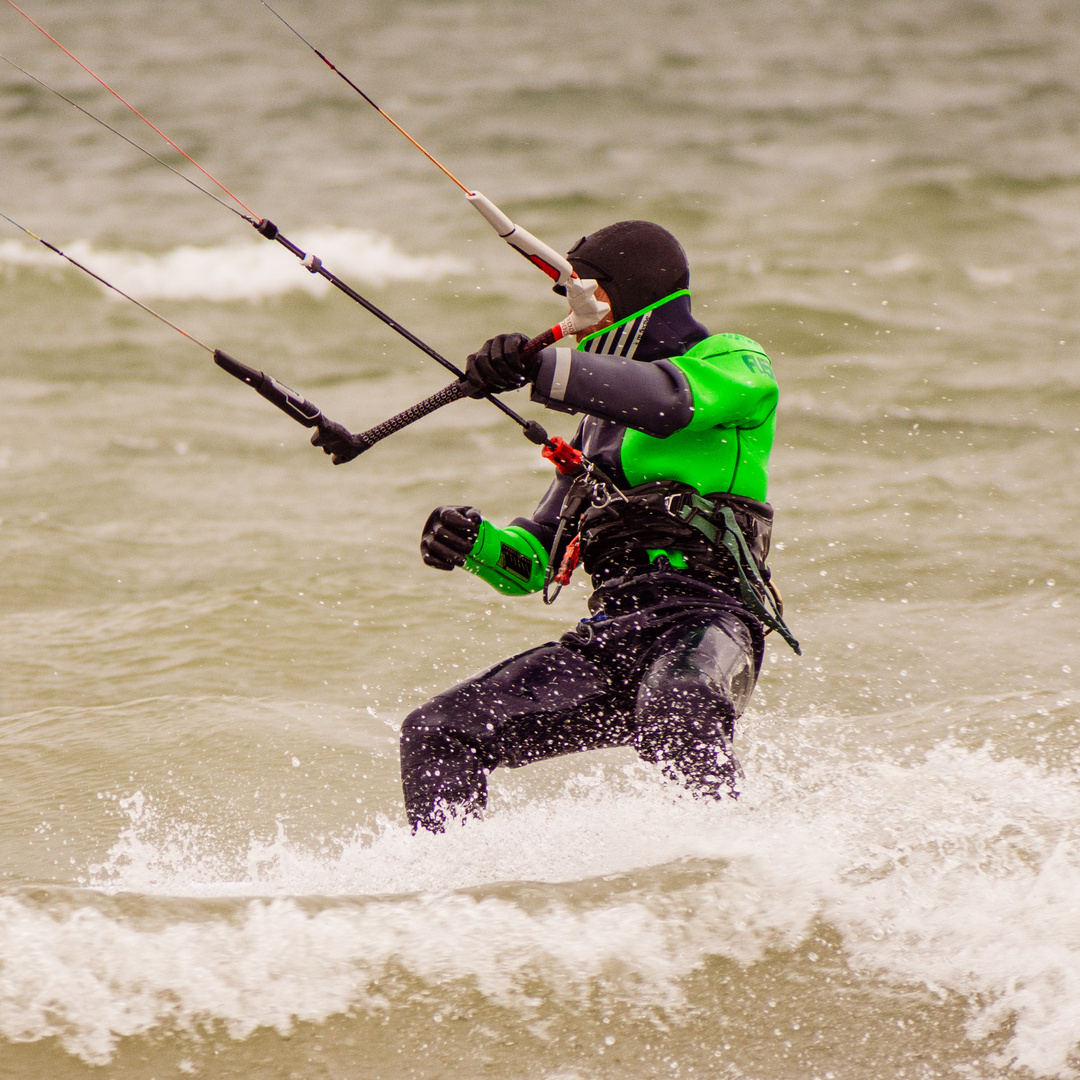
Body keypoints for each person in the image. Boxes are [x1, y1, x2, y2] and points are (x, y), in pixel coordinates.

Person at [323, 221, 797, 832]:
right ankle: (451, 897)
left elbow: (670, 402)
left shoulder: (732, 361)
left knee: (677, 704)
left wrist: (544, 367)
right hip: (610, 638)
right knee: (438, 732)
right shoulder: (595, 433)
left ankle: (734, 875)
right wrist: (473, 544)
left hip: (706, 622)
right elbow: (536, 561)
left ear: (614, 297)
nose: (571, 323)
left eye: (577, 299)